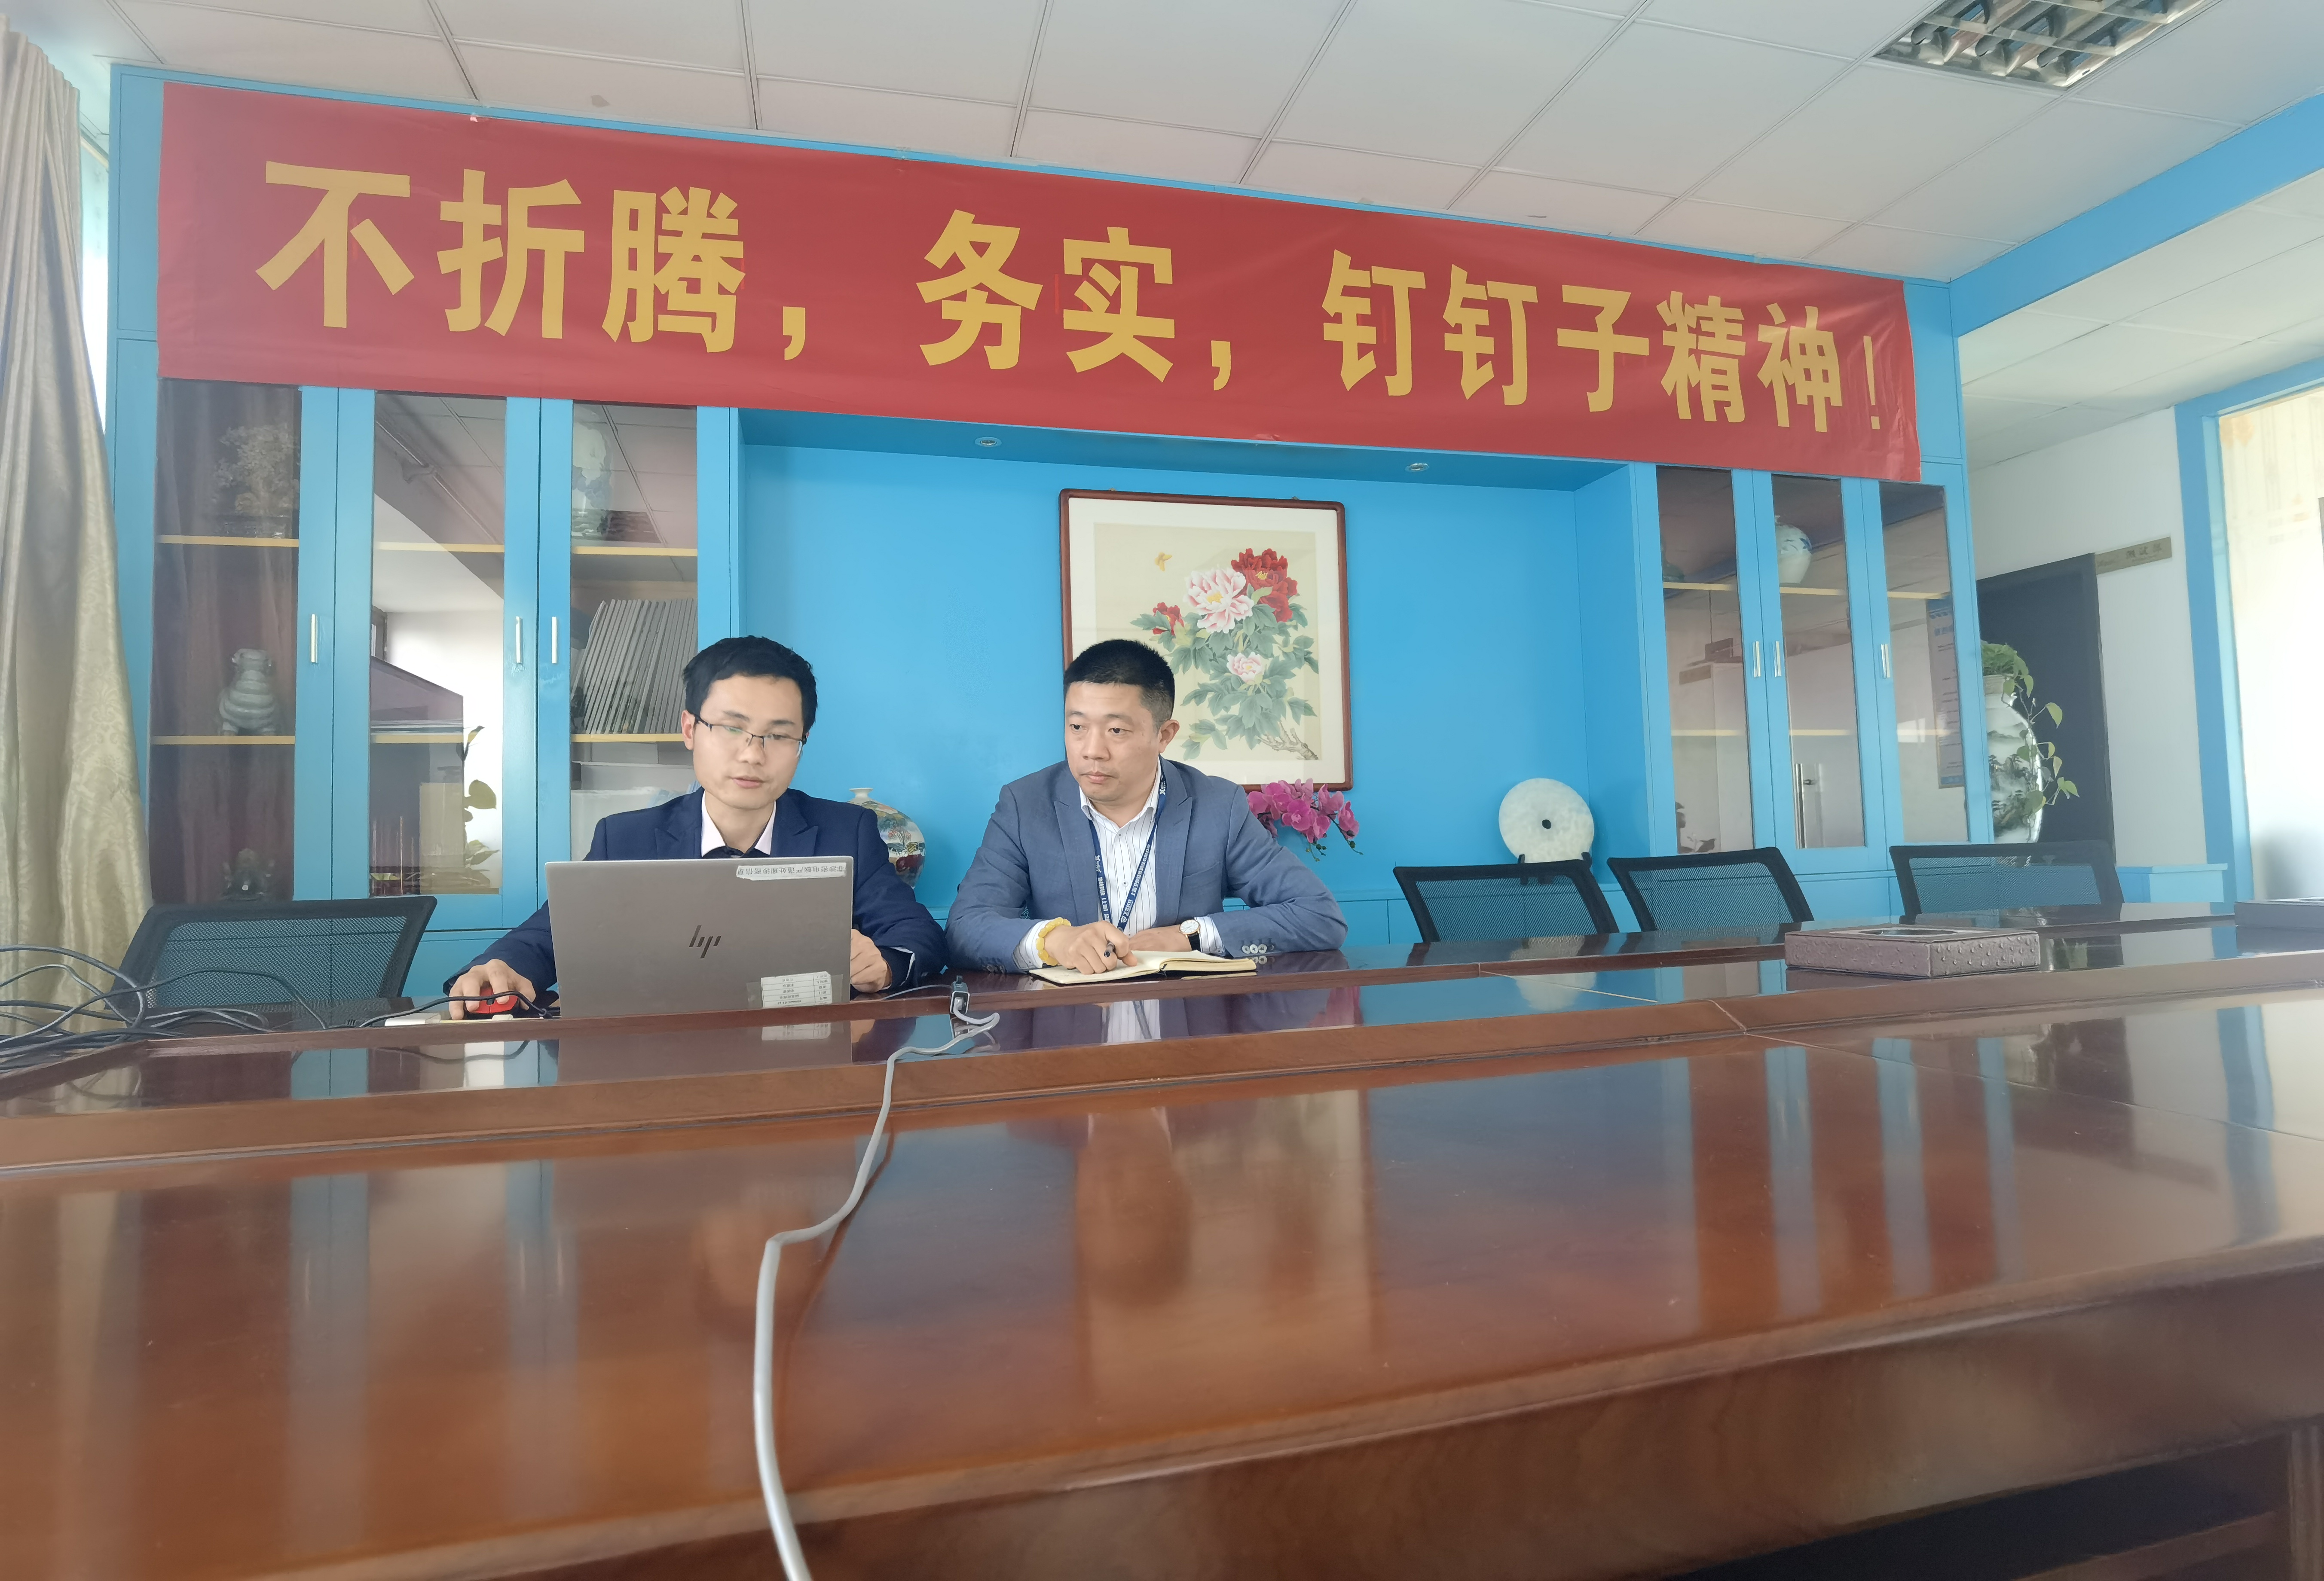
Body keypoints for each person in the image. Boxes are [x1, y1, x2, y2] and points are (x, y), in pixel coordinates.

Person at [446, 635, 944, 1015]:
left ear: (801, 743)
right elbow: (546, 936)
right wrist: (498, 969)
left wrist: (885, 964)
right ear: (690, 728)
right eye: (731, 728)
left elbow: (917, 935)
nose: (752, 754)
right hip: (661, 1060)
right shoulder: (626, 839)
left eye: (778, 735)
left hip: (801, 1059)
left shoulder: (845, 830)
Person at [947, 638, 1345, 975]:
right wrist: (1055, 941)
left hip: (1185, 1024)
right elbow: (965, 927)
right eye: (1077, 727)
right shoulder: (1025, 806)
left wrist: (1190, 936)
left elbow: (1319, 915)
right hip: (1069, 1024)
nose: (1092, 751)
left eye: (1116, 730)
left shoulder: (1217, 806)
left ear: (1164, 735)